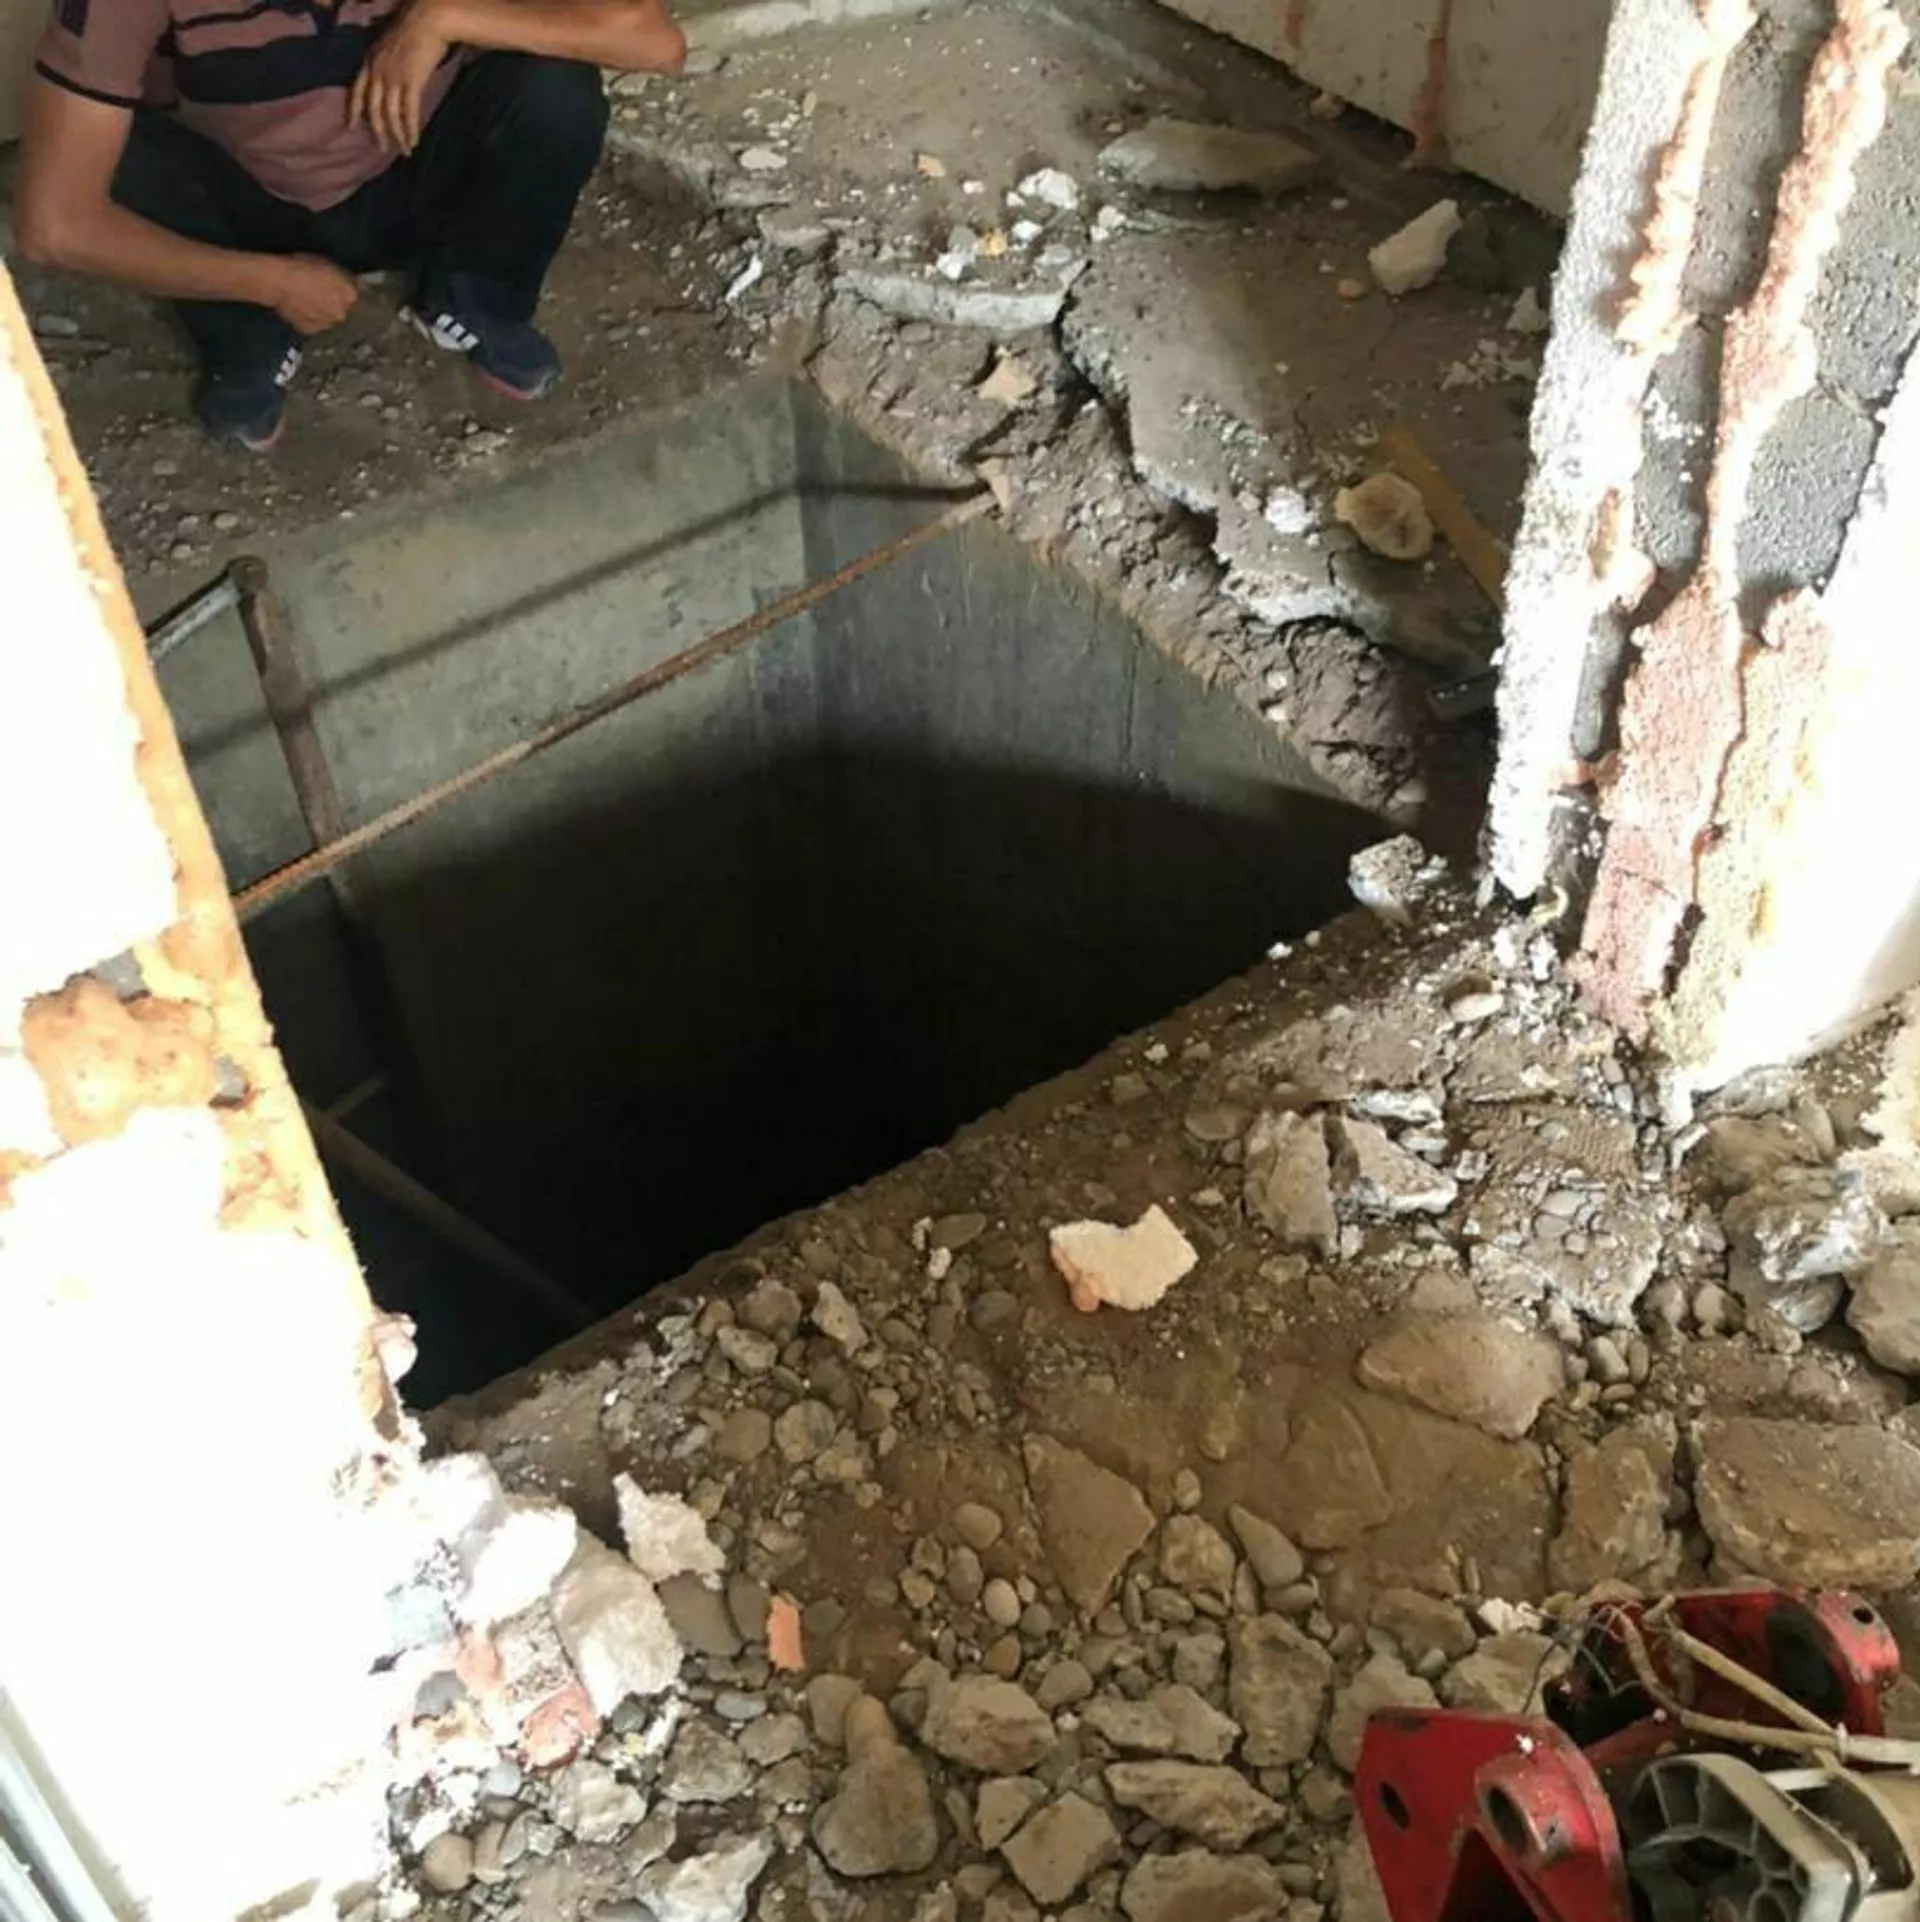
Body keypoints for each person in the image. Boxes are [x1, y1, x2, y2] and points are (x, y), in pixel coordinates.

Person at [14, 0, 686, 449]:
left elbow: (651, 39)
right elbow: (55, 223)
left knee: (553, 88)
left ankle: (474, 298)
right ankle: (249, 334)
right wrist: (269, 282)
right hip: (248, 208)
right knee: (113, 154)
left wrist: (442, 17)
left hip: (406, 171)